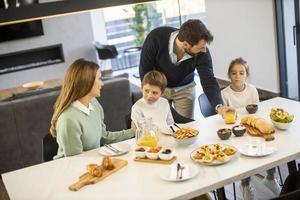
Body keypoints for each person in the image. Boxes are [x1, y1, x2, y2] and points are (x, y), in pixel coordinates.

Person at [139, 19, 233, 119]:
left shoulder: (202, 53)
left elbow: (208, 80)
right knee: (159, 121)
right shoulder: (156, 38)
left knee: (186, 126)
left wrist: (219, 106)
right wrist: (150, 93)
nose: (204, 50)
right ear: (185, 45)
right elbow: (145, 70)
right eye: (200, 47)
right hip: (158, 87)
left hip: (185, 88)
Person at [50, 58, 135, 159]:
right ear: (86, 82)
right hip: (72, 169)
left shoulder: (93, 103)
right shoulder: (69, 120)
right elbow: (75, 162)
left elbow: (103, 137)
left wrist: (133, 131)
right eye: (99, 79)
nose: (102, 83)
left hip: (91, 163)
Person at [221, 57, 281, 200]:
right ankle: (245, 184)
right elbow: (224, 117)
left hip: (253, 128)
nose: (237, 76)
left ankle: (271, 178)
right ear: (229, 75)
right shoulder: (225, 94)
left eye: (241, 73)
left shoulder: (252, 90)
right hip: (236, 131)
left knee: (271, 145)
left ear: (247, 75)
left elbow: (257, 111)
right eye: (234, 73)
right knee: (244, 155)